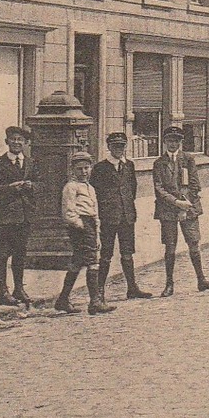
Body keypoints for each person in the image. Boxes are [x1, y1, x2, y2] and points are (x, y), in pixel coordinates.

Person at [152, 126, 209, 295]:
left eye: (176, 141)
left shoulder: (188, 159)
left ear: (181, 142)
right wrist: (176, 202)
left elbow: (195, 184)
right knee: (170, 247)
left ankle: (201, 279)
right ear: (165, 142)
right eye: (169, 141)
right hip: (167, 210)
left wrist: (185, 204)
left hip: (189, 208)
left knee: (194, 243)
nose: (172, 144)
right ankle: (169, 284)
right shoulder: (159, 163)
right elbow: (159, 188)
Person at [93, 132, 152, 301]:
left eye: (121, 146)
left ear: (125, 147)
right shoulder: (100, 168)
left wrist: (127, 208)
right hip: (109, 217)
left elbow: (132, 189)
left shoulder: (129, 166)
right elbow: (96, 192)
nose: (118, 149)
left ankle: (132, 288)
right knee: (106, 254)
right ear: (109, 147)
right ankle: (99, 291)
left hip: (127, 216)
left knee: (127, 253)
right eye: (115, 146)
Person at [0, 124, 35, 307]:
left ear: (26, 143)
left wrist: (31, 186)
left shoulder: (30, 162)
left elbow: (41, 185)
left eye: (20, 140)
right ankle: (2, 292)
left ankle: (19, 289)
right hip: (5, 216)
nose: (16, 143)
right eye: (13, 139)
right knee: (3, 255)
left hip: (25, 215)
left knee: (20, 255)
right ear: (7, 142)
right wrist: (9, 188)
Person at [56, 151, 114, 316]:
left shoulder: (90, 188)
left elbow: (95, 212)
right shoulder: (70, 187)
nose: (84, 172)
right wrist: (80, 226)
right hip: (79, 226)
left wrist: (96, 231)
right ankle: (95, 301)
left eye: (87, 168)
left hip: (90, 225)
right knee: (92, 261)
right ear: (73, 170)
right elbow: (68, 211)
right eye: (80, 169)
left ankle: (63, 299)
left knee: (77, 262)